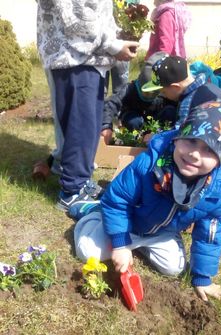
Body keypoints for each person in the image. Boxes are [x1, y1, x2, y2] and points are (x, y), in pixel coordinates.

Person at [70, 100, 221, 302]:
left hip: (162, 232)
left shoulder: (217, 192)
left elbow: (208, 235)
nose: (194, 154)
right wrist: (121, 244)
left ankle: (139, 243)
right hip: (129, 220)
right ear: (178, 137)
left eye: (209, 150)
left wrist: (202, 278)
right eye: (191, 140)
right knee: (87, 251)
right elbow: (118, 200)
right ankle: (92, 211)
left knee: (173, 268)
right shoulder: (149, 164)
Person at [37, 0, 139, 211]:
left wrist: (115, 39)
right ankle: (71, 192)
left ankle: (81, 183)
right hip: (74, 57)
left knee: (88, 126)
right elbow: (75, 14)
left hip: (87, 57)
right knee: (80, 127)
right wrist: (113, 45)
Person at [101, 51, 177, 145]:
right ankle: (137, 138)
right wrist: (106, 126)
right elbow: (111, 104)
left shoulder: (167, 93)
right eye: (145, 92)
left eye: (152, 93)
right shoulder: (129, 89)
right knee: (133, 121)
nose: (148, 95)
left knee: (170, 111)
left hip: (155, 121)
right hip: (134, 117)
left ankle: (160, 136)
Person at [141, 55, 221, 129]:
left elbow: (179, 136)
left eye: (164, 92)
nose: (164, 95)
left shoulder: (188, 102)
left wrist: (156, 138)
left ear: (175, 87)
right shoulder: (211, 86)